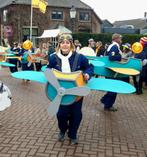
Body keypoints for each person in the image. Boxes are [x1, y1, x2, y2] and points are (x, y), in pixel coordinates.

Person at [47, 33, 94, 145]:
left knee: (76, 114)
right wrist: (48, 74)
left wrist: (87, 74)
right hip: (61, 92)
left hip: (77, 91)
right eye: (62, 43)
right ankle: (63, 130)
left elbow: (89, 68)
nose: (65, 45)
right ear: (59, 44)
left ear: (71, 44)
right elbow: (48, 69)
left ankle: (72, 134)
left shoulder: (80, 57)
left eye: (67, 43)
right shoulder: (53, 58)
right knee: (61, 114)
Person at [100, 33, 122, 112]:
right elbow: (111, 57)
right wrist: (120, 57)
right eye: (120, 38)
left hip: (110, 70)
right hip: (111, 70)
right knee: (113, 88)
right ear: (116, 39)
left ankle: (105, 101)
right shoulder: (114, 46)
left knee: (112, 88)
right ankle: (108, 105)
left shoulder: (112, 46)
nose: (121, 40)